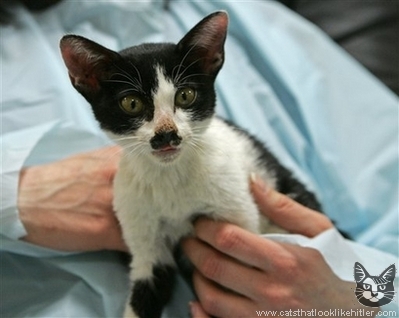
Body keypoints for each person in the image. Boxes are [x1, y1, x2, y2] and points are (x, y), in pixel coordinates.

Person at [1, 1, 398, 317]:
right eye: (133, 104)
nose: (165, 130)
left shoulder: (260, 23)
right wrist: (11, 193)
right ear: (85, 78)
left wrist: (363, 307)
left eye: (185, 98)